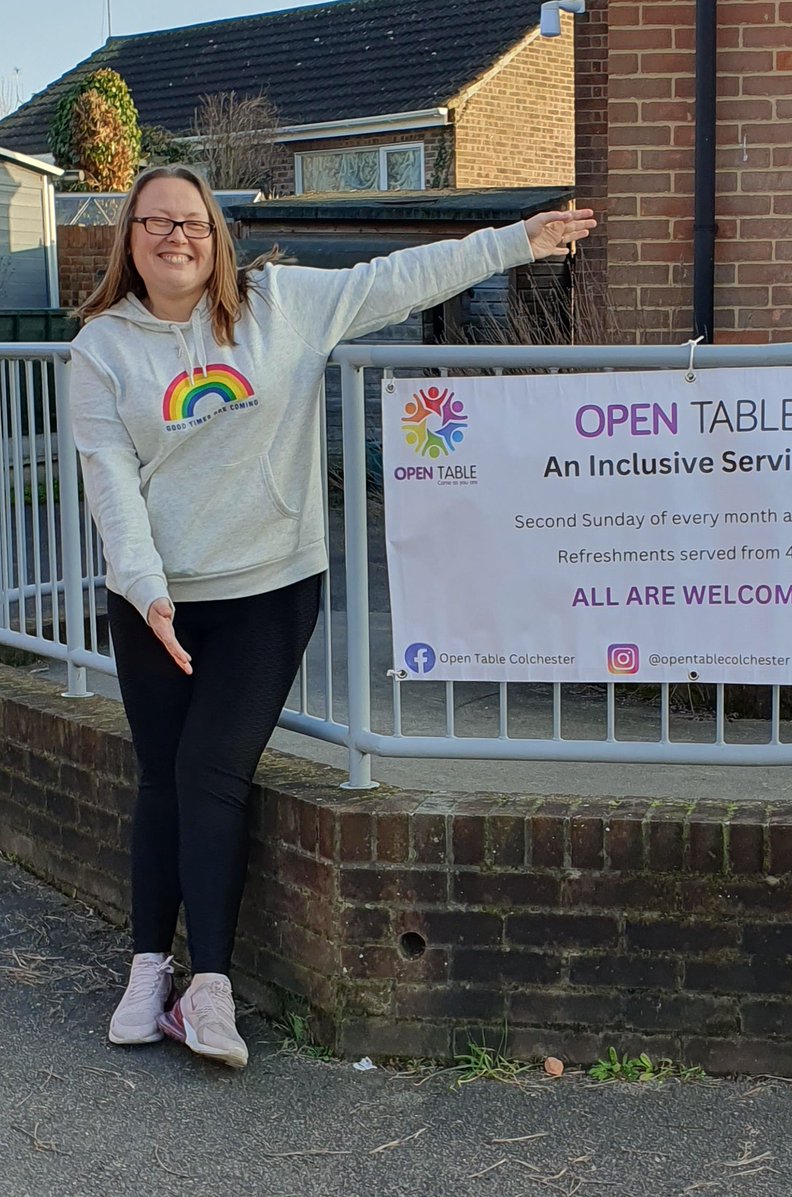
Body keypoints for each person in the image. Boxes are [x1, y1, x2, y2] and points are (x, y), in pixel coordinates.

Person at [71, 164, 595, 1069]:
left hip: (270, 588)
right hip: (155, 598)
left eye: (192, 223)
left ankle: (212, 990)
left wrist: (516, 243)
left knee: (208, 769)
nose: (176, 238)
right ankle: (148, 968)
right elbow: (109, 482)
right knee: (160, 775)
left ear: (217, 235)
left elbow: (395, 278)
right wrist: (147, 590)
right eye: (155, 223)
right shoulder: (101, 348)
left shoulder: (283, 305)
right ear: (130, 239)